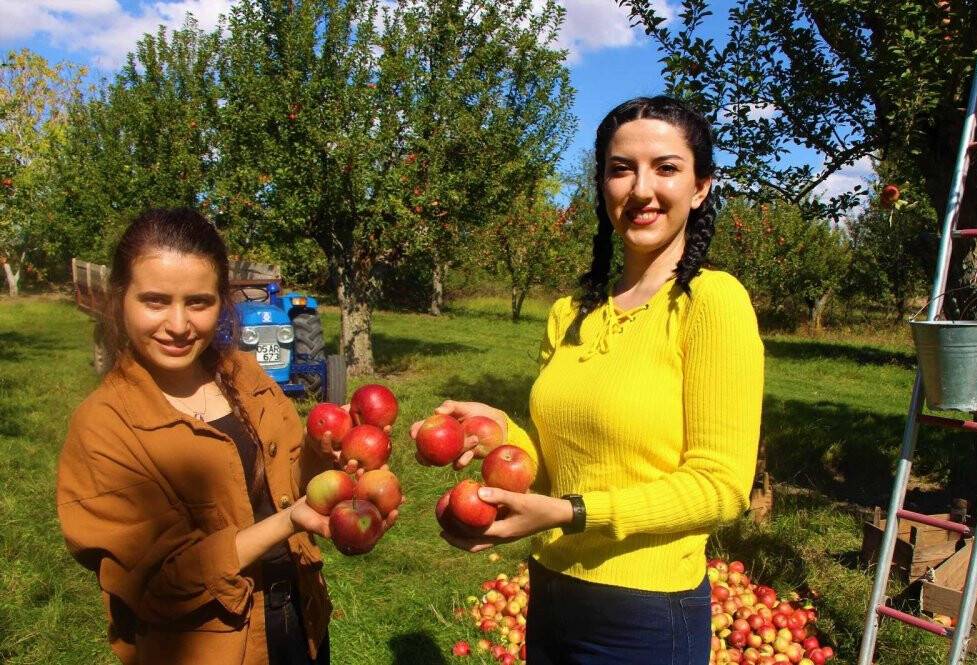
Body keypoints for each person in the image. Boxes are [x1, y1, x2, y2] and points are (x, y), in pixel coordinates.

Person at [413, 96, 764, 664]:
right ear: (603, 186)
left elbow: (721, 488)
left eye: (666, 168)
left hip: (647, 614)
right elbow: (560, 467)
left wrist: (573, 513)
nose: (641, 190)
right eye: (621, 169)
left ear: (700, 188)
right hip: (553, 589)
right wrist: (501, 432)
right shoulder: (571, 312)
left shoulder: (712, 303)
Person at [56, 208, 394, 664]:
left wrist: (323, 453)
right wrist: (289, 522)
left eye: (198, 302)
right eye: (155, 301)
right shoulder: (104, 427)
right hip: (207, 647)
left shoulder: (243, 374)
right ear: (120, 299)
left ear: (221, 302)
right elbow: (157, 581)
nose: (179, 325)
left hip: (300, 620)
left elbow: (289, 482)